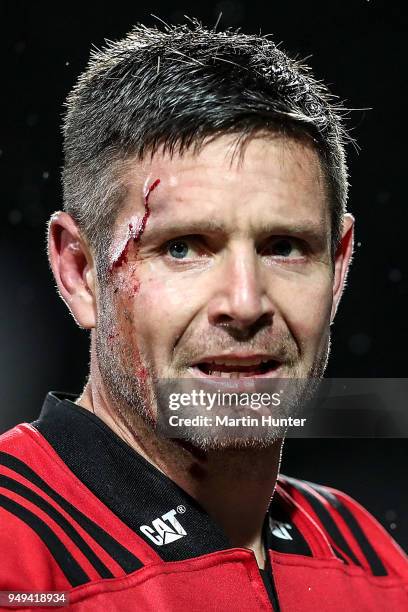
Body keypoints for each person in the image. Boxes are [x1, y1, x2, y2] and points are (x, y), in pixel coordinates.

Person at [0, 21, 406, 611]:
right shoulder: (15, 560)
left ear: (339, 269)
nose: (245, 303)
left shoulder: (373, 567)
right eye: (183, 246)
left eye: (285, 247)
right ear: (80, 272)